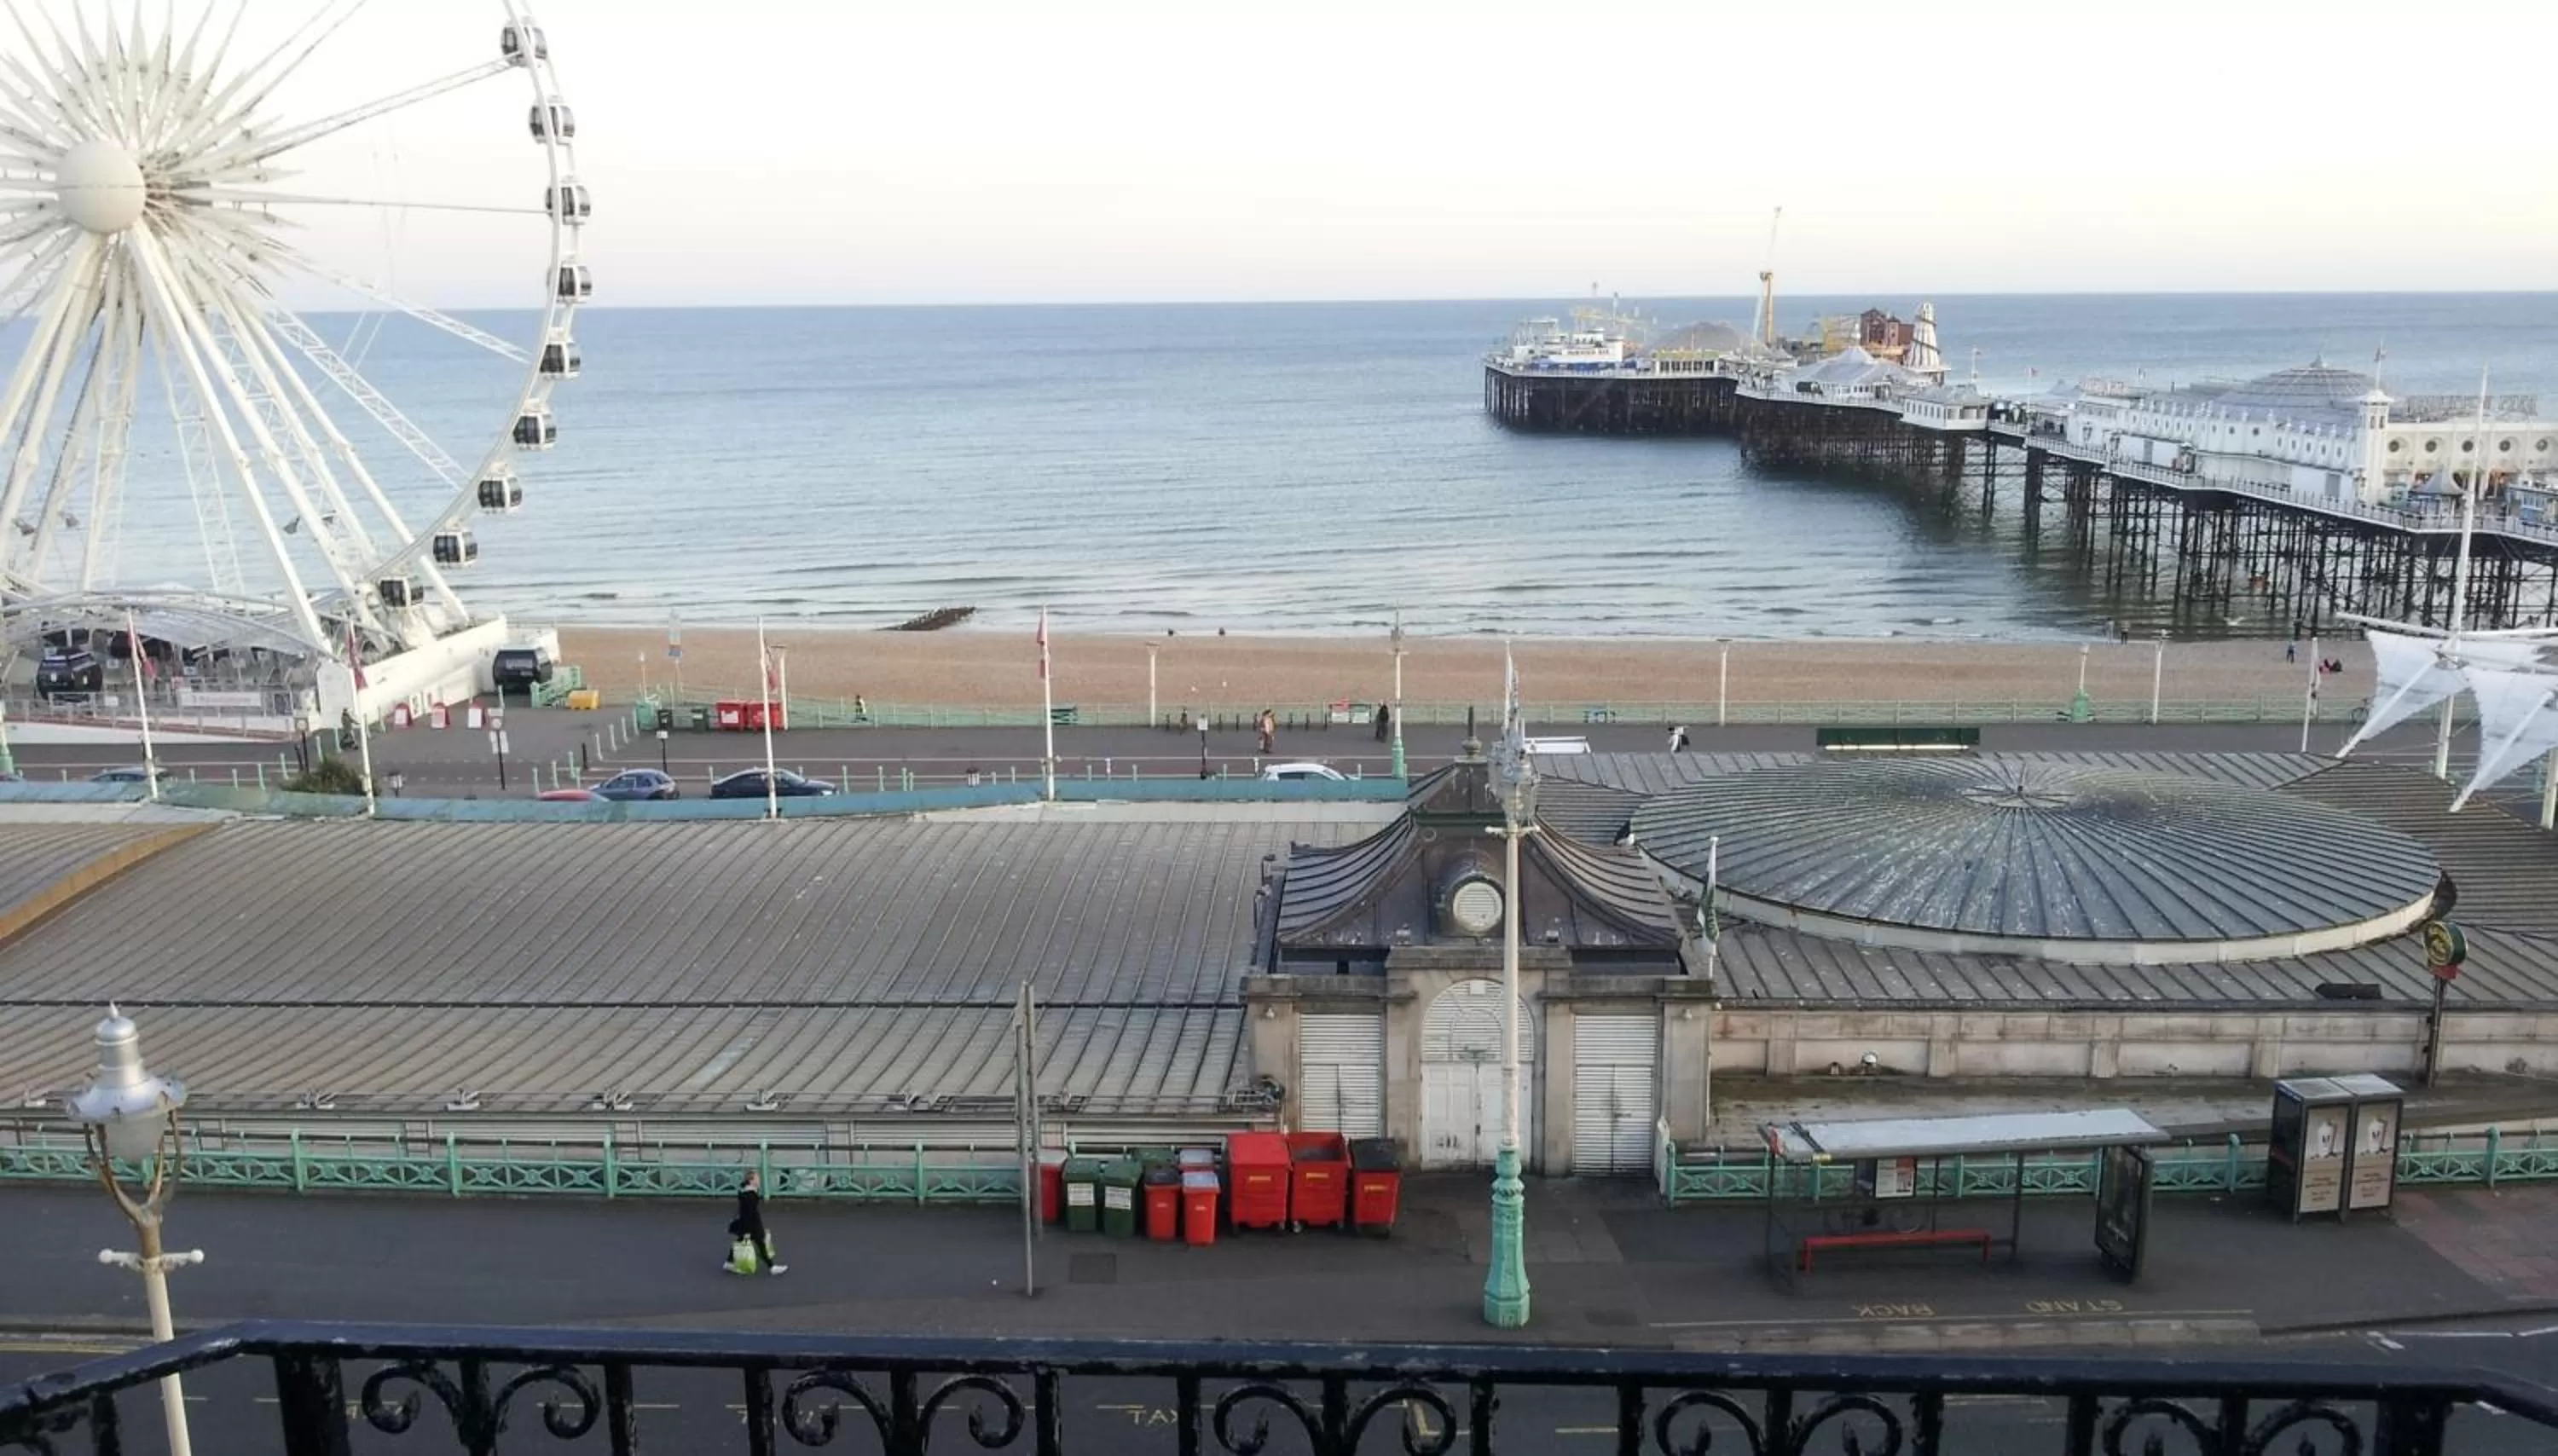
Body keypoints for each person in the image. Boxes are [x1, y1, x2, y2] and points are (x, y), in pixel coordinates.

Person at [730, 1171, 785, 1275]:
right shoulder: (750, 1195)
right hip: (753, 1225)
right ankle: (772, 1267)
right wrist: (747, 1230)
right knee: (760, 1244)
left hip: (750, 1224)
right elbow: (749, 1213)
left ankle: (728, 1262)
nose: (759, 1180)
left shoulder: (746, 1192)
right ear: (751, 1181)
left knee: (743, 1241)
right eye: (757, 1179)